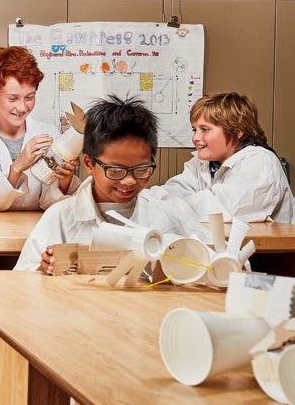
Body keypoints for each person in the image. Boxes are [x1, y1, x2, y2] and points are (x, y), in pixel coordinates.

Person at [15, 95, 206, 273]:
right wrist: (42, 269)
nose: (129, 181)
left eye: (141, 169)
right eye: (115, 171)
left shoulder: (167, 216)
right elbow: (24, 282)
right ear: (90, 164)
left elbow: (208, 264)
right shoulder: (61, 218)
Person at [0, 46, 79, 210]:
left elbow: (52, 202)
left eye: (29, 97)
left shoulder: (49, 134)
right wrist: (17, 167)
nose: (22, 107)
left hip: (37, 228)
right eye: (13, 98)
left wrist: (65, 179)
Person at [158, 92, 293, 223]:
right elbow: (175, 189)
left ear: (237, 132)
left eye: (205, 129)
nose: (195, 138)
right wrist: (146, 199)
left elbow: (220, 208)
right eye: (195, 130)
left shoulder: (261, 162)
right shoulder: (203, 163)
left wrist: (163, 206)